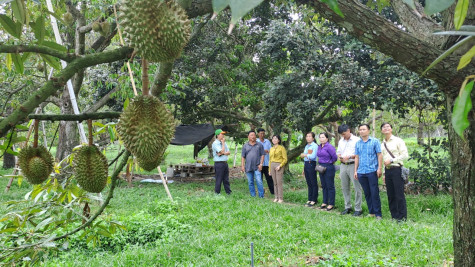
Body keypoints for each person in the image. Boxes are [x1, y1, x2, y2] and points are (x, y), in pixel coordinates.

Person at [381, 122, 409, 221]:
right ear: (382, 131)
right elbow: (384, 159)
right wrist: (384, 174)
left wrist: (392, 160)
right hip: (388, 171)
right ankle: (394, 216)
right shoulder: (383, 144)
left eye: (388, 126)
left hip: (397, 169)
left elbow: (405, 155)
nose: (386, 128)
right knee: (390, 195)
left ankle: (402, 217)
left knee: (399, 194)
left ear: (391, 129)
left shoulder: (398, 141)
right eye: (384, 127)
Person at [354, 124, 383, 220]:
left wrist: (379, 168)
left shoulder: (375, 141)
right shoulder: (358, 143)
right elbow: (357, 157)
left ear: (368, 131)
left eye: (364, 129)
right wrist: (355, 171)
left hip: (372, 171)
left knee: (374, 192)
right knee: (367, 193)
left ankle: (378, 214)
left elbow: (379, 155)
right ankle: (371, 212)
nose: (362, 131)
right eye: (360, 129)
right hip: (361, 171)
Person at [336, 124, 363, 216]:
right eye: (341, 135)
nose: (343, 136)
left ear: (348, 130)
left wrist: (350, 156)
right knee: (344, 187)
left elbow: (360, 154)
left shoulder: (357, 140)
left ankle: (358, 208)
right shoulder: (341, 141)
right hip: (343, 165)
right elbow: (339, 153)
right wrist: (340, 158)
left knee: (357, 187)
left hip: (353, 165)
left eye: (344, 134)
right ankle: (347, 207)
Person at [317, 132, 338, 211]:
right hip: (320, 167)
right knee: (324, 185)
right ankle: (324, 202)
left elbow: (334, 157)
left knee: (330, 186)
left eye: (323, 137)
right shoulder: (319, 146)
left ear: (327, 138)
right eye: (320, 137)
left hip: (328, 167)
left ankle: (331, 203)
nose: (321, 139)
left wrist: (329, 163)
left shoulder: (329, 146)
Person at [241, 131, 265, 198]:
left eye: (254, 135)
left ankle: (261, 196)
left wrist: (261, 164)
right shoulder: (245, 146)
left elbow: (263, 155)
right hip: (248, 167)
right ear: (248, 137)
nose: (253, 136)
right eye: (251, 135)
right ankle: (253, 196)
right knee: (250, 182)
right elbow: (243, 157)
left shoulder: (259, 145)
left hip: (257, 166)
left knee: (259, 181)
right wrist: (242, 166)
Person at [300, 132, 319, 207]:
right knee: (309, 182)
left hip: (312, 164)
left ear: (313, 138)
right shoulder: (307, 146)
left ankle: (314, 199)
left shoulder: (314, 146)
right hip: (306, 164)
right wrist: (304, 168)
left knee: (313, 182)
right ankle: (310, 198)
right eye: (307, 136)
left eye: (309, 136)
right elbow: (306, 158)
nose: (308, 137)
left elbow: (313, 156)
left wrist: (304, 155)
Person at [212, 129, 232, 195]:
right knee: (219, 178)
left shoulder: (224, 142)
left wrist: (222, 153)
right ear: (217, 135)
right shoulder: (215, 143)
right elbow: (222, 151)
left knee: (226, 179)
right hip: (219, 163)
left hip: (225, 162)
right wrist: (223, 145)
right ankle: (217, 192)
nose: (223, 135)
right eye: (222, 134)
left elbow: (228, 152)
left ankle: (228, 192)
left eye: (223, 134)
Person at [269, 135, 287, 203]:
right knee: (275, 182)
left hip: (279, 165)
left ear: (279, 140)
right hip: (272, 165)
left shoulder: (281, 148)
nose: (274, 140)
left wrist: (280, 166)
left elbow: (285, 159)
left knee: (279, 182)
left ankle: (280, 198)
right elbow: (270, 160)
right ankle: (276, 197)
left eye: (276, 138)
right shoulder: (271, 148)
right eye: (273, 138)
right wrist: (269, 169)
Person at [257, 128, 274, 196]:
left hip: (267, 163)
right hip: (259, 164)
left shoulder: (267, 141)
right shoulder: (256, 142)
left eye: (263, 133)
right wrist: (263, 151)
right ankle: (261, 193)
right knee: (259, 180)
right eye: (261, 133)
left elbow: (271, 150)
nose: (262, 135)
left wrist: (268, 151)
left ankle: (273, 192)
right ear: (258, 134)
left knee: (269, 179)